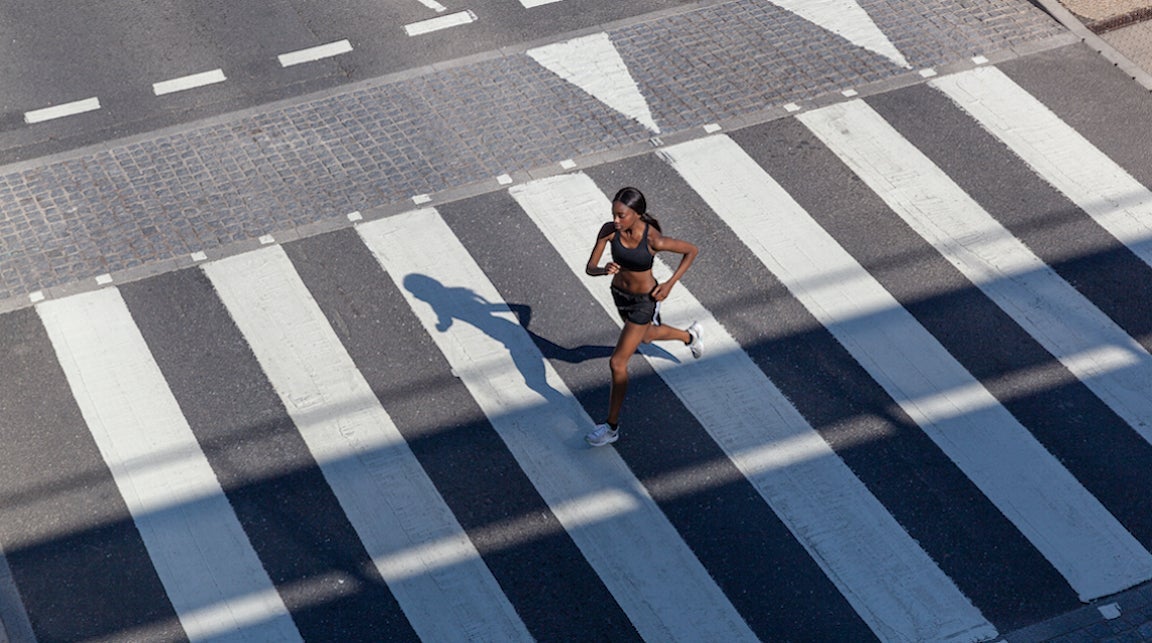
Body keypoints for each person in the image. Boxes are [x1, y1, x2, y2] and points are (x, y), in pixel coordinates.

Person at [583, 187, 703, 447]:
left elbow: (691, 250)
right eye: (614, 214)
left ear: (637, 214)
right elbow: (589, 268)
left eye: (621, 215)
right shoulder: (609, 230)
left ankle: (611, 428)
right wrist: (603, 269)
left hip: (644, 302)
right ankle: (690, 336)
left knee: (617, 363)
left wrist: (670, 283)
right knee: (647, 337)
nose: (616, 220)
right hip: (619, 295)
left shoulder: (653, 240)